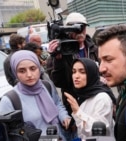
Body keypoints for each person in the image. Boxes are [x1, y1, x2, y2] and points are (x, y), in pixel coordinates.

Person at [46, 12, 98, 140]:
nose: (80, 31)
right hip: (73, 105)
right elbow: (58, 82)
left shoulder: (94, 48)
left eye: (82, 27)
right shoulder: (60, 51)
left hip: (95, 102)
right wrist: (58, 59)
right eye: (75, 28)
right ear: (67, 30)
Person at [0, 50, 71, 140]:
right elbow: (4, 134)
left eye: (33, 68)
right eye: (22, 71)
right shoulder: (10, 100)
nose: (29, 75)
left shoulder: (46, 86)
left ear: (39, 68)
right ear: (15, 73)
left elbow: (57, 104)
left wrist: (64, 117)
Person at [63, 58, 116, 140]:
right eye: (74, 72)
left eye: (82, 72)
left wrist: (77, 112)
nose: (76, 76)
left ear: (91, 74)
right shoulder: (82, 94)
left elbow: (99, 132)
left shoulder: (102, 98)